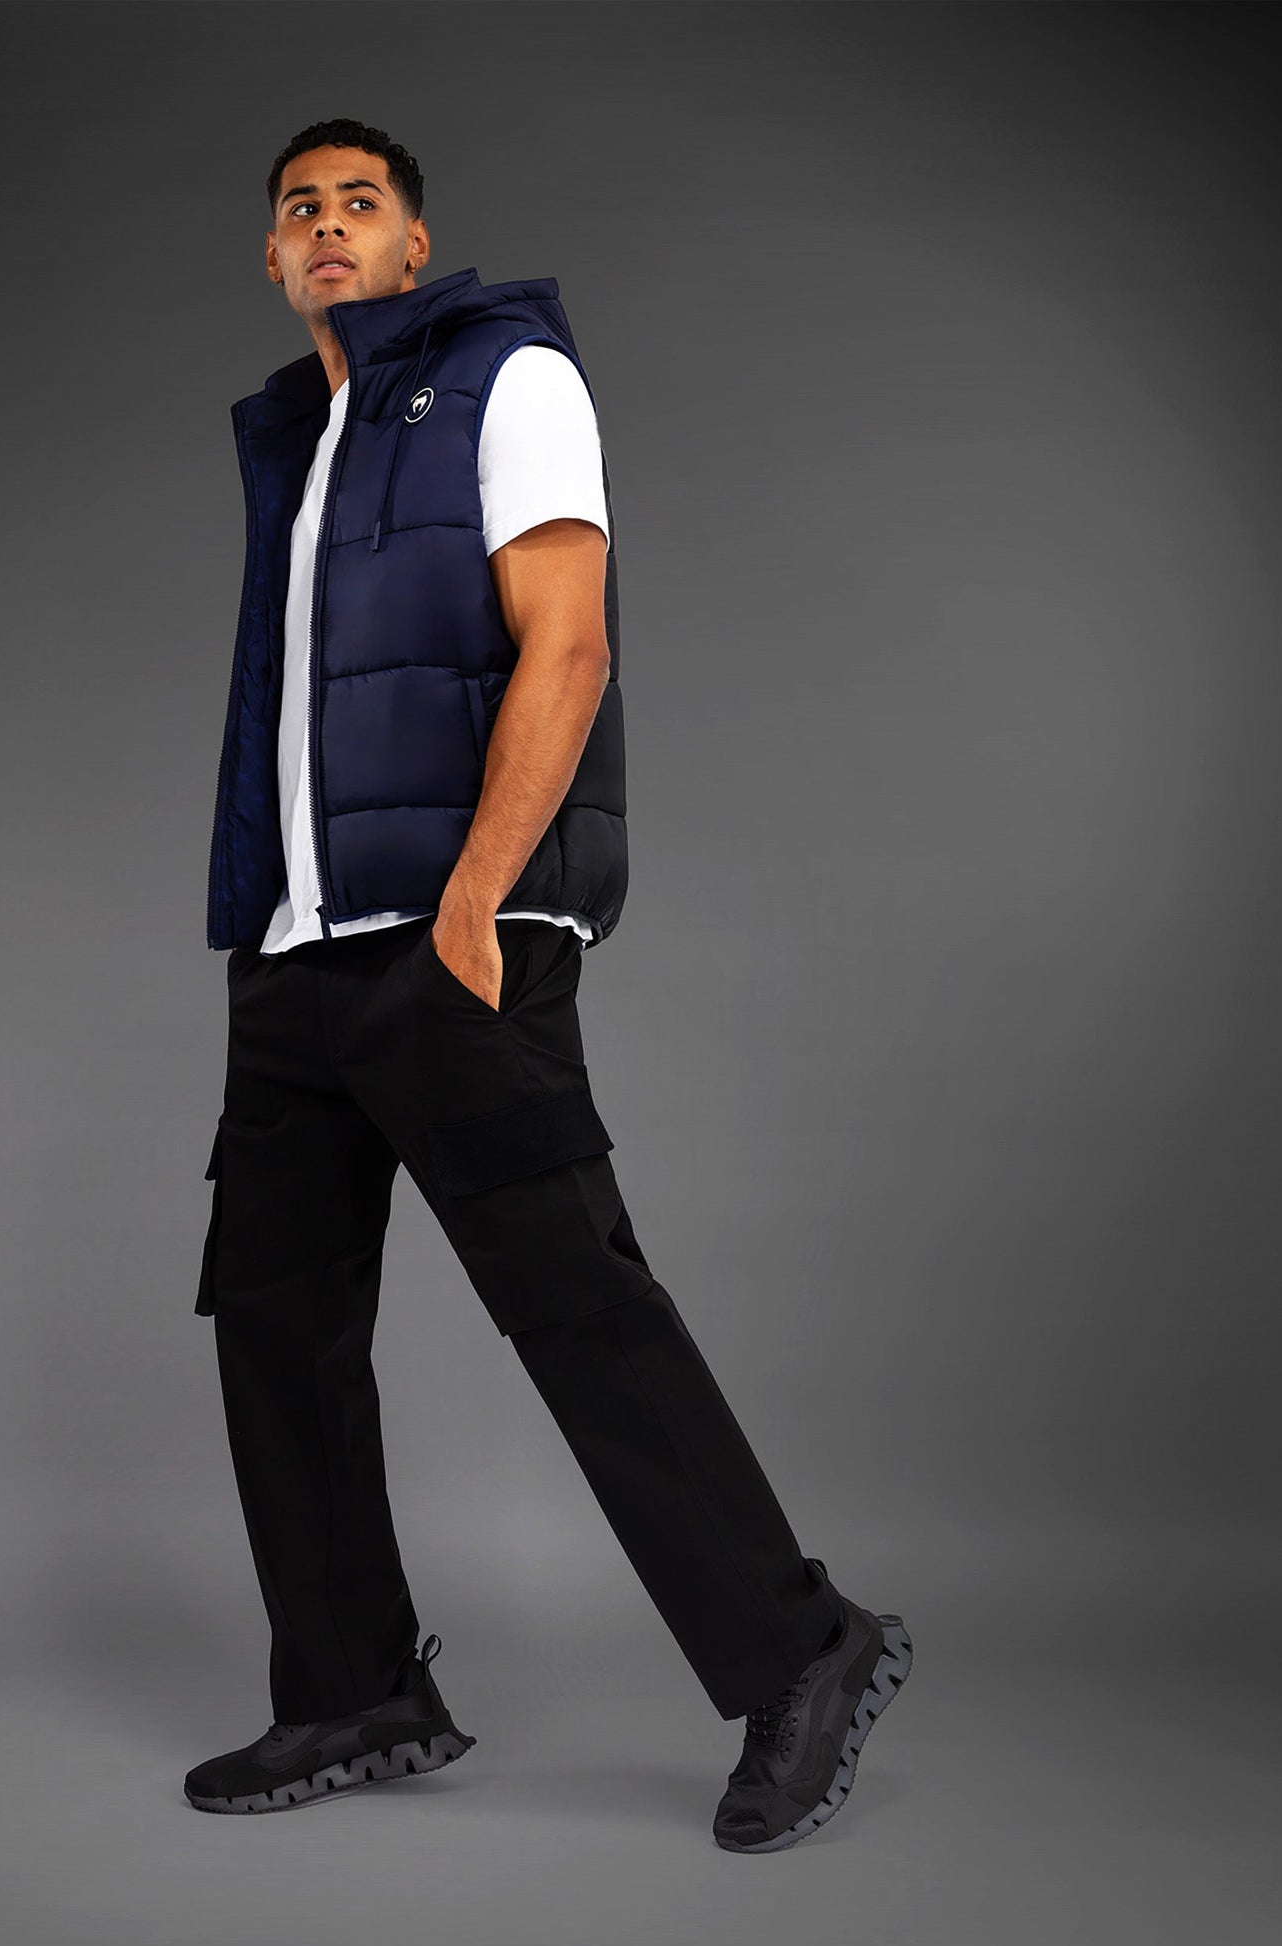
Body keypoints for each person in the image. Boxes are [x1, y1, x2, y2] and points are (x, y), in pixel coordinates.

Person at [184, 118, 912, 1852]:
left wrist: (476, 901)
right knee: (275, 1325)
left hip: (452, 938)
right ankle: (353, 1684)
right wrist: (268, 924)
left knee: (575, 1304)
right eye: (299, 209)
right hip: (295, 956)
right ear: (273, 260)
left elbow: (565, 644)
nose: (328, 224)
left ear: (410, 243)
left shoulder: (504, 378)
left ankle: (800, 1645)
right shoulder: (306, 436)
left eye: (361, 203)